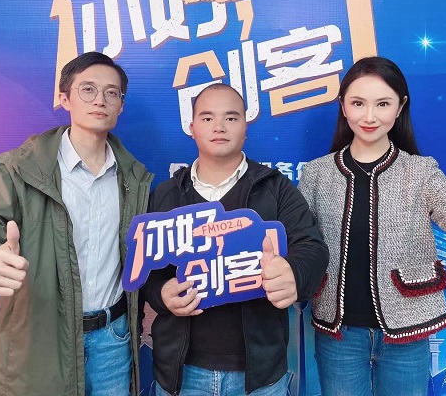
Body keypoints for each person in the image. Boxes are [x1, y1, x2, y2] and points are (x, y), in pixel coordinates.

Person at [0, 52, 153, 396]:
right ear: (64, 98)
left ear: (120, 106)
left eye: (111, 93)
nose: (100, 100)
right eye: (88, 89)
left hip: (113, 340)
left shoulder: (135, 178)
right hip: (39, 339)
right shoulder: (16, 168)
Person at [297, 56, 446, 396]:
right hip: (339, 334)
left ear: (400, 106)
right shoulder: (317, 173)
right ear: (343, 106)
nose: (369, 116)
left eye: (383, 104)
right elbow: (298, 237)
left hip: (407, 333)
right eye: (358, 103)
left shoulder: (421, 171)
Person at [141, 83, 329, 395]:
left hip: (259, 376)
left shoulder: (276, 189)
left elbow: (312, 247)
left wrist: (293, 273)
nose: (219, 127)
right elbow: (146, 270)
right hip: (181, 373)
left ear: (245, 126)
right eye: (207, 118)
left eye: (231, 118)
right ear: (191, 127)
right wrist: (162, 293)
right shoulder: (166, 194)